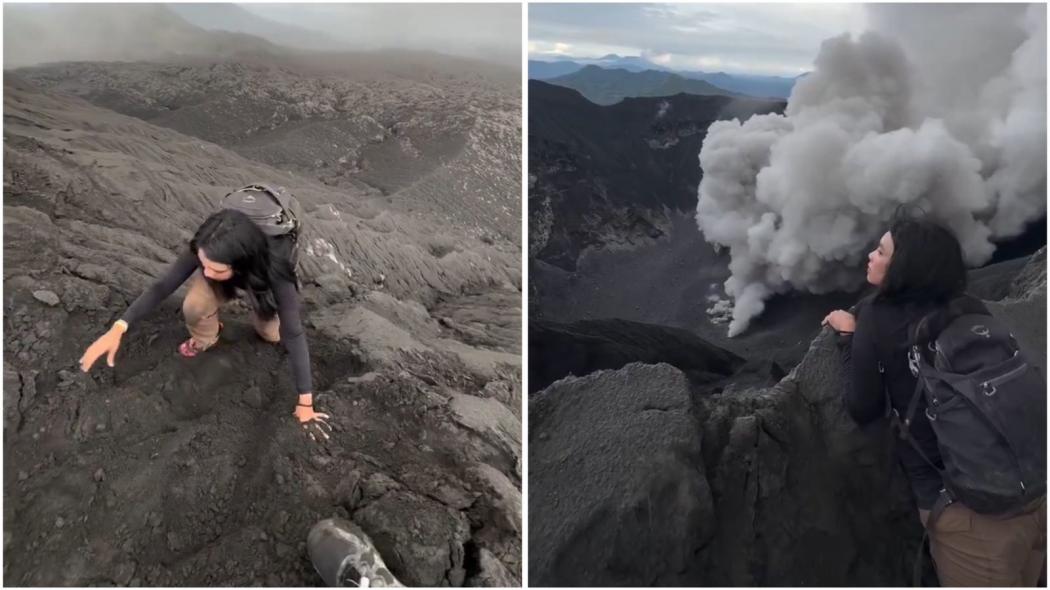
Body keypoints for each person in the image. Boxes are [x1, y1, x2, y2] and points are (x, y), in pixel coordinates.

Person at [823, 217, 1046, 586]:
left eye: (881, 251)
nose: (870, 255)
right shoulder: (968, 307)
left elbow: (862, 407)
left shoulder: (878, 322)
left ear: (905, 267)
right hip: (1033, 493)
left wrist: (849, 337)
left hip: (970, 516)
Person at [79, 208, 331, 439]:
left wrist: (305, 403)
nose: (206, 273)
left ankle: (258, 309)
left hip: (260, 277)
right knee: (194, 305)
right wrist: (119, 327)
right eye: (204, 265)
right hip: (234, 268)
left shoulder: (275, 264)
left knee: (272, 334)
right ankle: (207, 335)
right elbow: (163, 286)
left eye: (215, 269)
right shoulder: (209, 245)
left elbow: (294, 332)